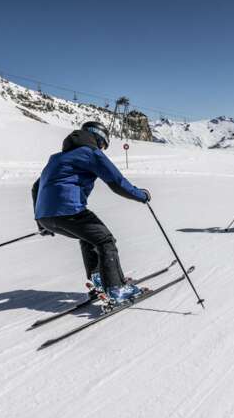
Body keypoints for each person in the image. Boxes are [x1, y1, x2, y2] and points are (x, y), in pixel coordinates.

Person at [31, 121, 150, 306]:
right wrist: (141, 195)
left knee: (89, 238)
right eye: (103, 145)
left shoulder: (57, 158)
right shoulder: (90, 152)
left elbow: (36, 187)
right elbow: (116, 181)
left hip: (46, 216)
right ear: (99, 138)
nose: (102, 149)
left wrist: (42, 223)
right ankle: (116, 289)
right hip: (69, 211)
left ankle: (101, 283)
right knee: (105, 240)